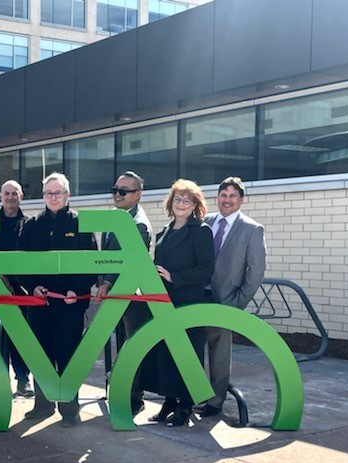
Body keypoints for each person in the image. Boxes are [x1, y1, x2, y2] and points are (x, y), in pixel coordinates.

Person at [16, 172, 97, 427]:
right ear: (43, 196)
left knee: (68, 356)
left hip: (70, 307)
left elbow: (90, 264)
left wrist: (77, 290)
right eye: (49, 193)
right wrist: (32, 287)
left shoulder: (80, 224)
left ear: (67, 195)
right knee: (40, 355)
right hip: (39, 305)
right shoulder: (30, 225)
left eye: (58, 192)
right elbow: (20, 265)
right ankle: (42, 405)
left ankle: (70, 410)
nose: (53, 197)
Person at [145, 179, 214, 426]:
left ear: (195, 204)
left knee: (187, 355)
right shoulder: (164, 231)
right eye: (177, 199)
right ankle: (169, 403)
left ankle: (185, 406)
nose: (181, 204)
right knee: (166, 354)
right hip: (164, 302)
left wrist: (175, 277)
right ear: (170, 202)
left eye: (187, 200)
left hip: (188, 302)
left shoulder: (201, 231)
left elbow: (206, 270)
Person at [200, 176, 266, 417]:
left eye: (232, 196)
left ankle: (215, 401)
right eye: (223, 195)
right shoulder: (204, 222)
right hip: (196, 297)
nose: (227, 200)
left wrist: (237, 303)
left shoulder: (252, 229)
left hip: (225, 300)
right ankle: (193, 395)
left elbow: (255, 271)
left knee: (219, 352)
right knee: (192, 348)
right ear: (217, 198)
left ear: (241, 200)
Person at [95, 171, 153, 417]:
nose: (116, 195)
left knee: (132, 349)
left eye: (123, 191)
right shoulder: (115, 219)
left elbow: (129, 264)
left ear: (137, 195)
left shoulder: (138, 224)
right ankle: (119, 391)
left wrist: (107, 282)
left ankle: (133, 399)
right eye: (115, 189)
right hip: (112, 295)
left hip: (131, 298)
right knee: (120, 345)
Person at [0, 179, 33, 399]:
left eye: (15, 193)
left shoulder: (29, 224)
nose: (11, 197)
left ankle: (23, 380)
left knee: (22, 337)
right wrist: (2, 282)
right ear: (0, 196)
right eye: (7, 193)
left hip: (22, 292)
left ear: (21, 197)